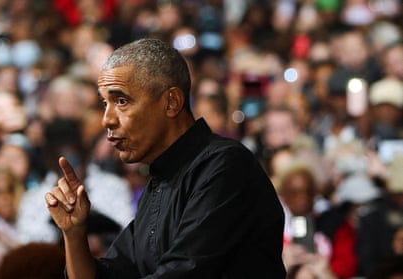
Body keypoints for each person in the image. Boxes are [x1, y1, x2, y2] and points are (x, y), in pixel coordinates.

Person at [45, 38, 286, 278]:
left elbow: (183, 273)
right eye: (105, 103)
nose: (107, 119)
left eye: (121, 101)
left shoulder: (225, 167)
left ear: (172, 102)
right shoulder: (159, 182)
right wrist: (74, 234)